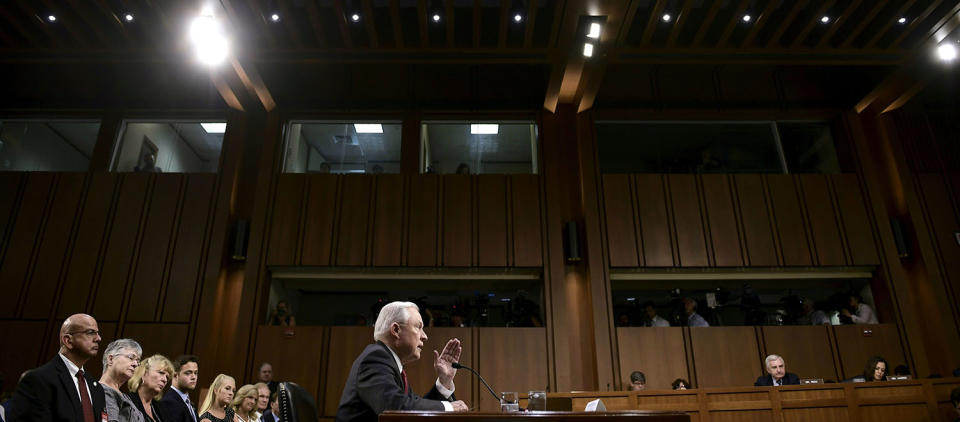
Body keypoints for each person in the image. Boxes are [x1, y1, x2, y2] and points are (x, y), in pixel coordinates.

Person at [335, 301, 468, 422]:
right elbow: (395, 406)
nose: (425, 336)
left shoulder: (389, 362)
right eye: (418, 327)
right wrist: (449, 408)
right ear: (396, 330)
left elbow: (412, 408)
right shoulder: (375, 358)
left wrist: (444, 381)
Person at [9, 313, 107, 422]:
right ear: (68, 340)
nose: (98, 338)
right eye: (90, 332)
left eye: (97, 333)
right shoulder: (38, 380)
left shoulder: (96, 388)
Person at [99, 339, 143, 422]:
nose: (135, 364)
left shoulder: (126, 397)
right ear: (111, 359)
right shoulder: (102, 391)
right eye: (131, 357)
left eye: (137, 361)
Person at [128, 355, 175, 422]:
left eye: (167, 377)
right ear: (144, 373)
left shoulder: (162, 409)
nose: (165, 380)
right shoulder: (126, 402)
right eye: (161, 373)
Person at [158, 355, 199, 422]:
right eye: (188, 373)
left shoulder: (190, 403)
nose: (194, 377)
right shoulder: (169, 402)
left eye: (196, 373)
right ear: (175, 375)